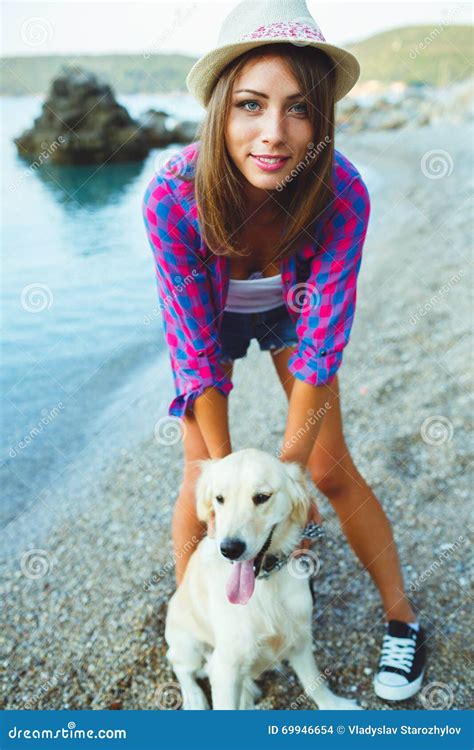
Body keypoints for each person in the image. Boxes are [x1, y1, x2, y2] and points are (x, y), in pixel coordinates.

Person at [142, 0, 426, 702]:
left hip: (294, 315)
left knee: (327, 473)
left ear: (320, 118)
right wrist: (229, 475)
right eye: (250, 105)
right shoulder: (172, 198)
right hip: (211, 319)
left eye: (298, 109)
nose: (274, 133)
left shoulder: (343, 194)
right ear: (218, 110)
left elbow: (321, 349)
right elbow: (194, 353)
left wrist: (285, 488)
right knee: (202, 476)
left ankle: (403, 618)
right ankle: (201, 622)